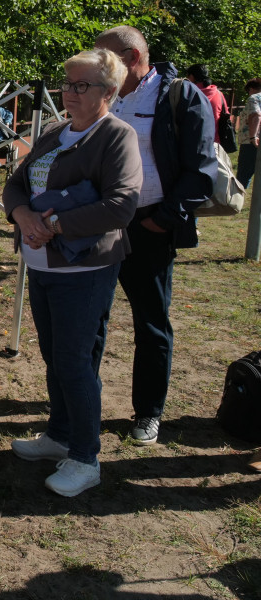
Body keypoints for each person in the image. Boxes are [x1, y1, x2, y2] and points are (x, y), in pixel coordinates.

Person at [4, 48, 142, 496]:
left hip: (84, 268)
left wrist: (56, 224)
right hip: (43, 263)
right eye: (67, 83)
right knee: (54, 355)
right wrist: (23, 215)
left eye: (81, 85)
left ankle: (85, 457)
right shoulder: (56, 132)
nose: (70, 92)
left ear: (109, 90)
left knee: (75, 362)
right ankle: (60, 434)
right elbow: (15, 183)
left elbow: (121, 205)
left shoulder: (116, 136)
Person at [95, 26, 216, 446]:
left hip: (149, 225)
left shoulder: (178, 96)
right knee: (93, 314)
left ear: (130, 57)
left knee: (151, 322)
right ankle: (83, 399)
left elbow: (201, 171)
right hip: (103, 223)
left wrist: (163, 220)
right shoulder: (105, 96)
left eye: (103, 56)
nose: (97, 64)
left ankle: (148, 412)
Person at [186, 64, 227, 144]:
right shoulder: (219, 94)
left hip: (191, 142)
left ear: (191, 76)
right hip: (214, 141)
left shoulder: (188, 93)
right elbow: (226, 114)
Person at [237, 78, 261, 187]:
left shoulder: (254, 98)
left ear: (251, 89)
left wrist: (253, 137)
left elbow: (255, 115)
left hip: (250, 143)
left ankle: (237, 201)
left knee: (243, 177)